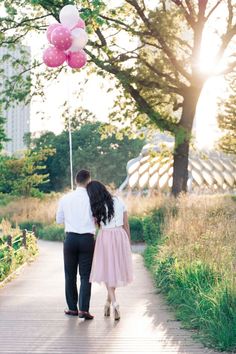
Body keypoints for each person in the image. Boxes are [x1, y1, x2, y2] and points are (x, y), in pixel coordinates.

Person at [86, 180, 133, 321]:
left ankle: (115, 303)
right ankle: (108, 303)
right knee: (115, 270)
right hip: (120, 236)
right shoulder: (119, 200)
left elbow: (98, 226)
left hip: (105, 237)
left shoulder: (95, 206)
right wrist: (128, 242)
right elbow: (126, 224)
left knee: (108, 271)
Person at [56, 169, 95, 320]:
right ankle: (84, 309)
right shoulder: (93, 198)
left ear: (75, 181)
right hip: (87, 239)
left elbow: (59, 220)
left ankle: (72, 308)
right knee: (86, 276)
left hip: (70, 239)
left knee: (70, 274)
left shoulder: (65, 198)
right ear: (89, 181)